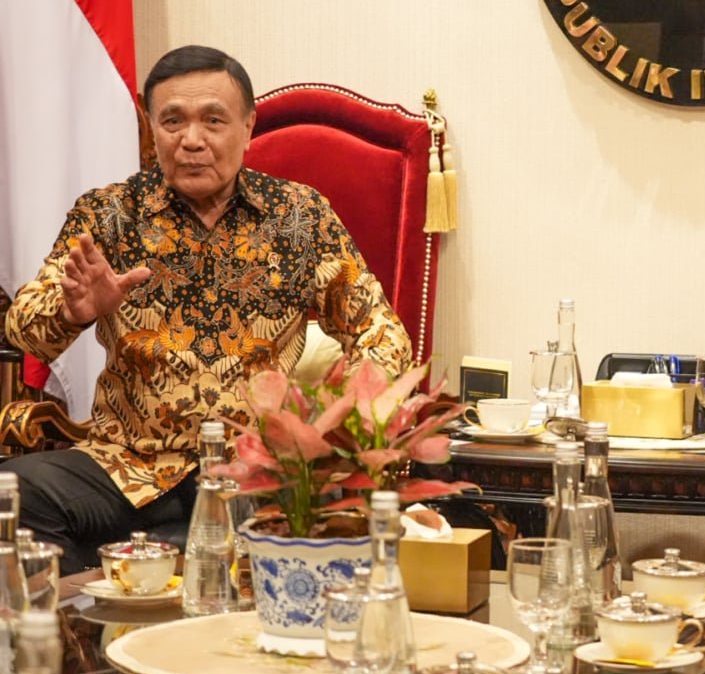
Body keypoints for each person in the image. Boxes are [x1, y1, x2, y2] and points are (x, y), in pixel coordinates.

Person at [0, 46, 411, 573]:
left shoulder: (301, 217)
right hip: (127, 464)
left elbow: (382, 336)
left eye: (213, 120)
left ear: (248, 126)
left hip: (257, 469)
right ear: (152, 128)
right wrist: (73, 311)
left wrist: (332, 426)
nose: (192, 140)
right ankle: (94, 613)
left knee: (319, 503)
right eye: (173, 121)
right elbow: (25, 330)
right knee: (18, 493)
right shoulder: (108, 214)